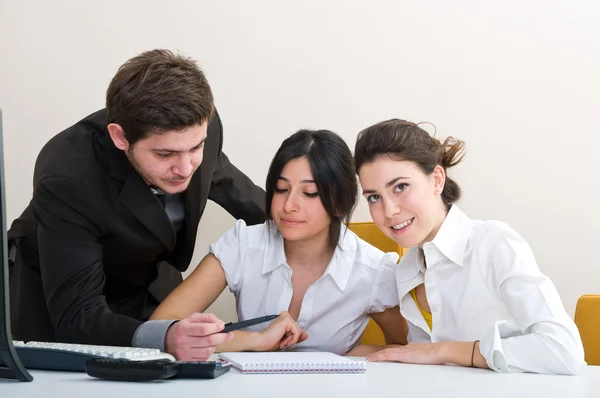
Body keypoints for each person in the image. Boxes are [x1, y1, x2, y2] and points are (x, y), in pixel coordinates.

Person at [7, 49, 265, 359]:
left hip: (147, 279)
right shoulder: (68, 176)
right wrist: (166, 338)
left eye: (196, 147)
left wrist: (311, 223)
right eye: (165, 155)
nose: (186, 168)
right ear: (119, 137)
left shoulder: (198, 128)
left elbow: (227, 182)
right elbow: (77, 318)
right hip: (61, 293)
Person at [353, 119, 585, 375]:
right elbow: (428, 365)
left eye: (400, 187)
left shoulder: (494, 244)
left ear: (437, 180)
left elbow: (564, 350)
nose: (389, 211)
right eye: (374, 197)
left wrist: (444, 350)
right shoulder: (407, 268)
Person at [150, 129, 407, 360]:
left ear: (340, 204)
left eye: (309, 193)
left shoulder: (374, 270)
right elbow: (157, 328)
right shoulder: (243, 244)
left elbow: (405, 348)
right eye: (281, 189)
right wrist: (256, 341)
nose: (288, 206)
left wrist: (355, 356)